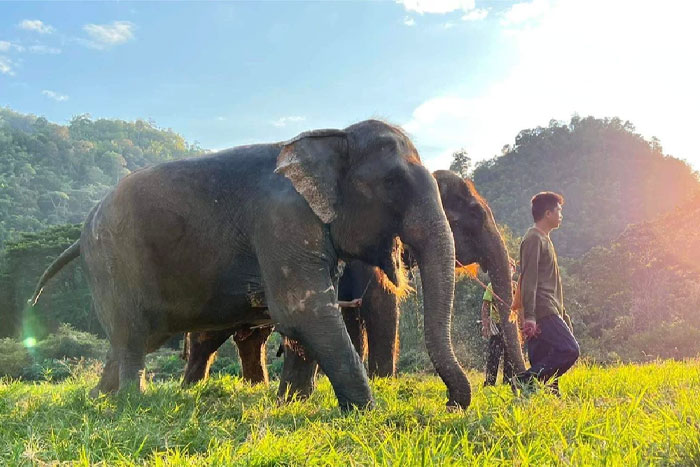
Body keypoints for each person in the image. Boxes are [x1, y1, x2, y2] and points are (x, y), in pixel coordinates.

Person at [513, 192, 579, 396]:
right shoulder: (533, 239)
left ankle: (543, 403)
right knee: (569, 349)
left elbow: (552, 283)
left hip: (550, 307)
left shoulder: (544, 239)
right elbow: (529, 279)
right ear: (548, 213)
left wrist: (563, 313)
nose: (561, 215)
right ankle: (523, 380)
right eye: (559, 211)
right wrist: (530, 316)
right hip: (542, 308)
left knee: (544, 360)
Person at [481, 261, 517, 386]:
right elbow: (486, 305)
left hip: (512, 327)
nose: (508, 271)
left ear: (514, 271)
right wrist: (485, 324)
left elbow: (520, 307)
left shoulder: (516, 287)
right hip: (496, 325)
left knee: (510, 356)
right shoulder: (492, 286)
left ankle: (507, 382)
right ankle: (489, 382)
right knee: (494, 355)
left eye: (510, 268)